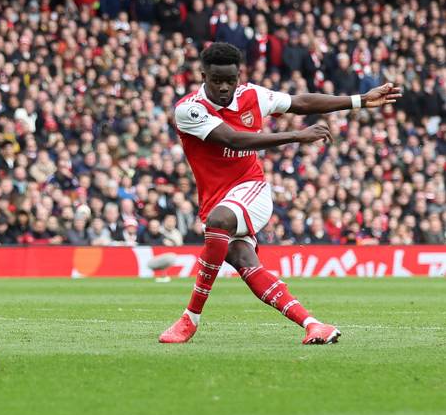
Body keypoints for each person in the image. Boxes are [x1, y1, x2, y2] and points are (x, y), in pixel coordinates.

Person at [159, 42, 401, 345]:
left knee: (220, 221)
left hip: (252, 190)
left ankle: (189, 318)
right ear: (203, 75)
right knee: (244, 261)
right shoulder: (189, 109)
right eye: (216, 80)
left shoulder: (252, 95)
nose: (224, 87)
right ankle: (314, 325)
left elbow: (300, 102)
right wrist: (296, 136)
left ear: (238, 77)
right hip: (216, 200)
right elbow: (233, 140)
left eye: (229, 81)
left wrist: (360, 100)